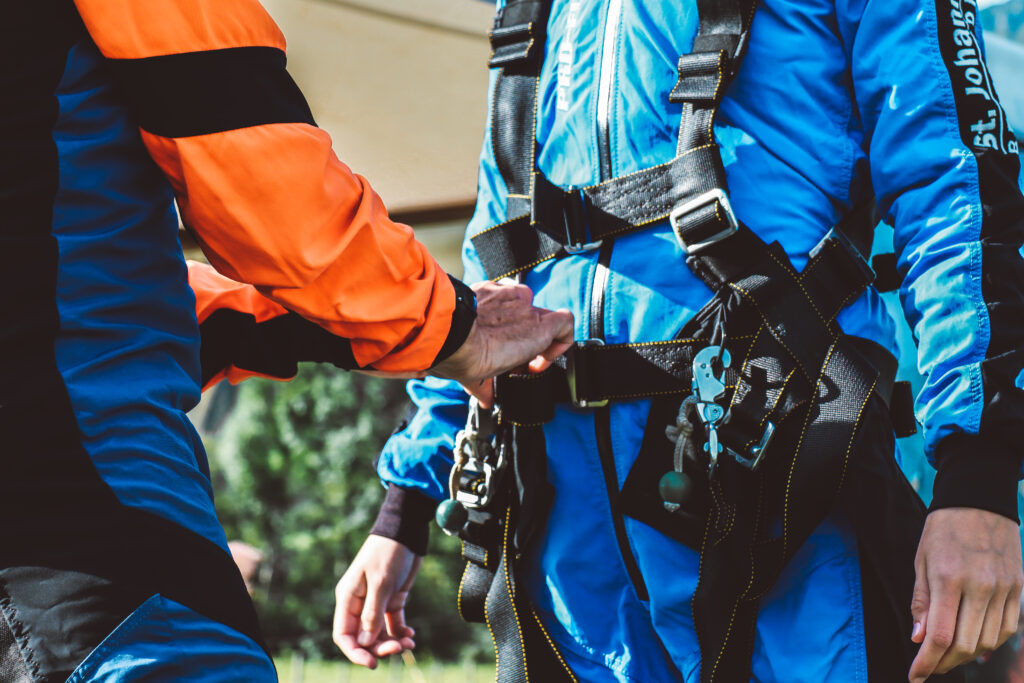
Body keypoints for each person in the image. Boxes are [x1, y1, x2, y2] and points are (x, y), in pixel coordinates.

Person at [335, 0, 1024, 681]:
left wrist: (977, 479)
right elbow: (498, 251)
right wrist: (407, 502)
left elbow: (952, 182)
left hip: (781, 502)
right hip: (563, 547)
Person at [1, 0, 573, 680]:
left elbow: (58, 293)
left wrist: (342, 331)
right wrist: (446, 325)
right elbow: (260, 172)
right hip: (92, 533)